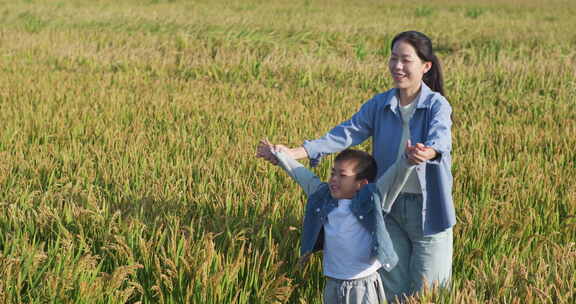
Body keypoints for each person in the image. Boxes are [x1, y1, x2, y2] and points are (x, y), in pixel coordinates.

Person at [258, 31, 455, 302]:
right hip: (386, 205)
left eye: (406, 60)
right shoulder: (380, 104)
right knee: (391, 287)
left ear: (425, 66)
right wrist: (295, 152)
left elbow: (440, 136)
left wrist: (428, 151)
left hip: (427, 209)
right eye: (393, 58)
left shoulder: (436, 105)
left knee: (429, 290)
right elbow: (346, 133)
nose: (397, 66)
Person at [257, 140, 416, 304]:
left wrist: (407, 161)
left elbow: (392, 179)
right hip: (333, 282)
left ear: (361, 184)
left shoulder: (371, 200)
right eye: (333, 173)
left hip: (362, 284)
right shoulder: (324, 197)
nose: (334, 179)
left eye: (342, 175)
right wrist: (280, 155)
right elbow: (302, 175)